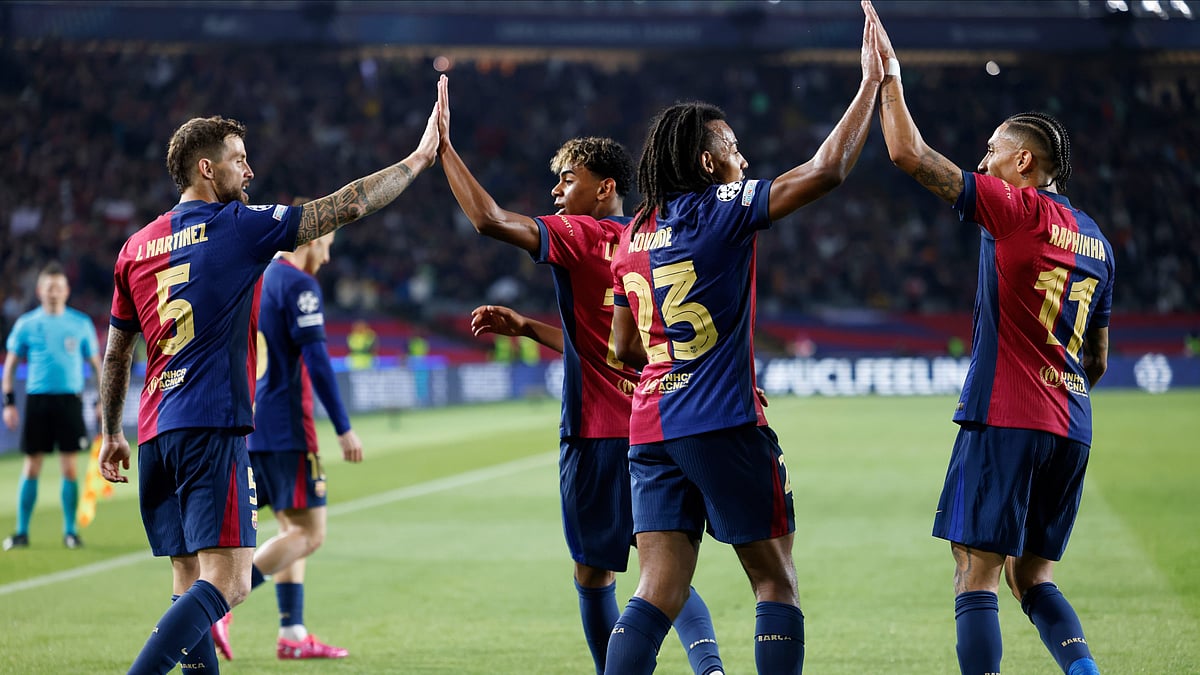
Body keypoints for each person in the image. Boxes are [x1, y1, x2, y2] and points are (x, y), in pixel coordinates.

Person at [98, 86, 441, 675]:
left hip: (155, 429)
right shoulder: (236, 225)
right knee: (229, 584)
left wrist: (110, 432)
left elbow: (115, 353)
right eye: (238, 158)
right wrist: (417, 160)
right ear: (207, 168)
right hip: (212, 424)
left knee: (189, 582)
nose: (249, 169)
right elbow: (347, 205)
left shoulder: (136, 246)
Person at [602, 9, 883, 673]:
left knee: (657, 588)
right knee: (774, 579)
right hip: (721, 419)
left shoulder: (634, 234)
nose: (744, 158)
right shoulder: (719, 208)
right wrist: (872, 83)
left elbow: (623, 349)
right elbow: (825, 170)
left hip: (649, 424)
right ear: (707, 161)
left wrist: (671, 356)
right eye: (733, 148)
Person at [437, 76, 724, 675]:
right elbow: (613, 343)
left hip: (596, 432)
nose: (557, 191)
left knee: (594, 571)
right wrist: (529, 328)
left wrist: (442, 149)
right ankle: (711, 667)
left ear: (604, 189)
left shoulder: (580, 234)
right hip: (659, 422)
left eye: (568, 179)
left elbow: (490, 220)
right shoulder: (650, 236)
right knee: (661, 564)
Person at [865, 3, 1113, 674]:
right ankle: (1084, 669)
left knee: (974, 575)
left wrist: (888, 76)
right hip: (1073, 426)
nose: (983, 160)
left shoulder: (1015, 208)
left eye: (993, 151)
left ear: (1023, 161)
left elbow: (906, 154)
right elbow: (1097, 357)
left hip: (1007, 414)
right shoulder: (1096, 239)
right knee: (1033, 577)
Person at [208, 225, 363, 661]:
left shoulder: (258, 277)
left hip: (255, 424)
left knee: (289, 529)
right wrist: (343, 426)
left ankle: (292, 632)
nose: (327, 259)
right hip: (290, 429)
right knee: (311, 534)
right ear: (312, 239)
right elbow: (317, 358)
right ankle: (218, 605)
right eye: (327, 246)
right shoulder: (299, 283)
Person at [2, 262, 102, 551]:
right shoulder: (27, 324)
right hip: (38, 401)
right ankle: (21, 531)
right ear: (39, 291)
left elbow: (96, 365)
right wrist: (8, 403)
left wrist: (99, 400)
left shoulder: (80, 323)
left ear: (67, 290)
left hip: (69, 400)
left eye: (59, 287)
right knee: (31, 466)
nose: (54, 292)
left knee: (69, 468)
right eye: (49, 287)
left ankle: (70, 532)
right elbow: (9, 367)